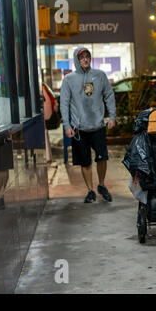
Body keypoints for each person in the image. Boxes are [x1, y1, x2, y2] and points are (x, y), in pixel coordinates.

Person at [60, 47, 116, 203]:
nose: (85, 59)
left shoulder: (99, 75)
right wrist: (67, 125)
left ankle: (102, 185)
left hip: (98, 125)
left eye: (87, 56)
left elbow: (109, 95)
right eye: (82, 57)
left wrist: (112, 116)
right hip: (79, 128)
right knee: (85, 162)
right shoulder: (69, 79)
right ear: (77, 60)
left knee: (102, 158)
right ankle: (90, 190)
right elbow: (64, 104)